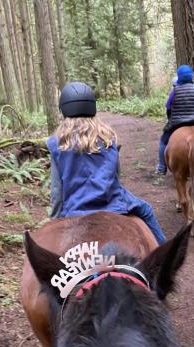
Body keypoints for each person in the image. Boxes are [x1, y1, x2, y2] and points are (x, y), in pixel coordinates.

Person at [48, 81, 167, 244]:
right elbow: (116, 175)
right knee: (146, 210)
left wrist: (54, 220)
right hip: (113, 204)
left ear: (64, 110)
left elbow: (57, 191)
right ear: (92, 107)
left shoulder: (57, 143)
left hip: (75, 210)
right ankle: (166, 258)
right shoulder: (107, 137)